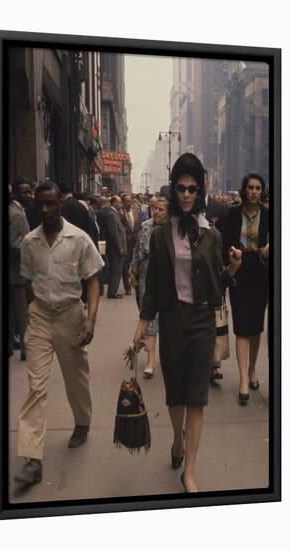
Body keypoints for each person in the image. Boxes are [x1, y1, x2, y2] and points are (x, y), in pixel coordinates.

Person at [132, 153, 242, 493]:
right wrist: (141, 326)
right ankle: (177, 441)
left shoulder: (212, 235)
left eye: (193, 188)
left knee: (196, 397)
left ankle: (189, 471)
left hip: (201, 322)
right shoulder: (162, 233)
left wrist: (233, 270)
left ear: (201, 190)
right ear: (173, 189)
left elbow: (215, 285)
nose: (186, 195)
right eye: (181, 188)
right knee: (174, 396)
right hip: (173, 320)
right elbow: (152, 286)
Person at [14, 182, 104, 485]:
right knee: (36, 387)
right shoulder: (29, 242)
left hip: (70, 315)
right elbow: (28, 281)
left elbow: (93, 280)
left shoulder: (78, 239)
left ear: (59, 205)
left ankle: (82, 422)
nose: (44, 209)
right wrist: (31, 315)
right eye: (39, 204)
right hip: (40, 316)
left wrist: (90, 320)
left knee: (76, 378)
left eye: (50, 204)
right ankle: (31, 459)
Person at [222, 172, 269, 406]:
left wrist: (267, 249)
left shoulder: (270, 216)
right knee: (241, 327)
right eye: (250, 187)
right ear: (244, 190)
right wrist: (231, 257)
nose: (254, 192)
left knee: (256, 328)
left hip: (261, 274)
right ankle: (242, 379)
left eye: (258, 188)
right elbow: (222, 243)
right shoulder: (232, 215)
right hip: (239, 270)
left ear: (262, 191)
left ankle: (252, 370)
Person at [131, 195, 168, 378]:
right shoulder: (146, 226)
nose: (157, 212)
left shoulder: (172, 229)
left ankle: (168, 358)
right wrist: (134, 271)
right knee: (150, 319)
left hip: (168, 279)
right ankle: (150, 361)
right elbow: (139, 249)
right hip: (147, 277)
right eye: (155, 209)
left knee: (168, 319)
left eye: (161, 209)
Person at [203, 169, 229, 383]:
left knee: (215, 320)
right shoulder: (185, 209)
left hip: (215, 274)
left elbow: (227, 241)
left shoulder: (219, 208)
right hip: (190, 277)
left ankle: (214, 364)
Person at [8, 184, 30, 360]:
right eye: (25, 192)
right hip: (16, 271)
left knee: (11, 312)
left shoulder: (17, 210)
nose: (29, 195)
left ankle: (10, 344)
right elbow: (15, 243)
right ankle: (25, 347)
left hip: (14, 271)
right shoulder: (16, 213)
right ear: (15, 193)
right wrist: (31, 248)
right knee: (22, 313)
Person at [106, 196, 127, 299]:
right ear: (113, 202)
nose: (120, 204)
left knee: (117, 270)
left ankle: (113, 291)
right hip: (116, 249)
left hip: (118, 248)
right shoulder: (112, 214)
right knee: (116, 270)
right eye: (118, 202)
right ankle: (112, 292)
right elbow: (114, 233)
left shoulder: (116, 213)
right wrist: (120, 248)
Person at [120, 193, 141, 295]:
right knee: (125, 266)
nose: (129, 203)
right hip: (126, 243)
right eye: (127, 201)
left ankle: (137, 285)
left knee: (137, 264)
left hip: (136, 242)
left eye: (130, 201)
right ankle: (127, 288)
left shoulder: (137, 212)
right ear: (123, 202)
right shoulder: (120, 213)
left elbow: (139, 225)